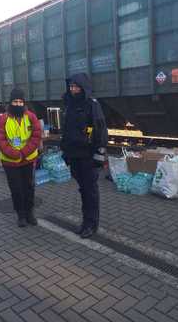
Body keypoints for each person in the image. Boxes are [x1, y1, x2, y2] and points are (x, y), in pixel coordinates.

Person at [60, 73, 108, 239]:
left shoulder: (92, 105)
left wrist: (99, 155)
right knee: (83, 190)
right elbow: (65, 130)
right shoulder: (69, 104)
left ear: (83, 87)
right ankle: (85, 222)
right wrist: (65, 151)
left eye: (76, 86)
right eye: (71, 86)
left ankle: (91, 225)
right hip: (74, 155)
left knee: (90, 191)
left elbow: (100, 131)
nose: (73, 89)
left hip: (87, 156)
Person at [0, 88, 41, 227]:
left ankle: (29, 213)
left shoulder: (31, 116)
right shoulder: (3, 119)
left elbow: (36, 136)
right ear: (11, 102)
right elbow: (0, 139)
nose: (18, 104)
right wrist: (15, 154)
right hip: (10, 161)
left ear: (24, 102)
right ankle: (20, 215)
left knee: (29, 187)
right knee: (16, 189)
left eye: (20, 101)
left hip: (28, 159)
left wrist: (24, 152)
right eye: (15, 101)